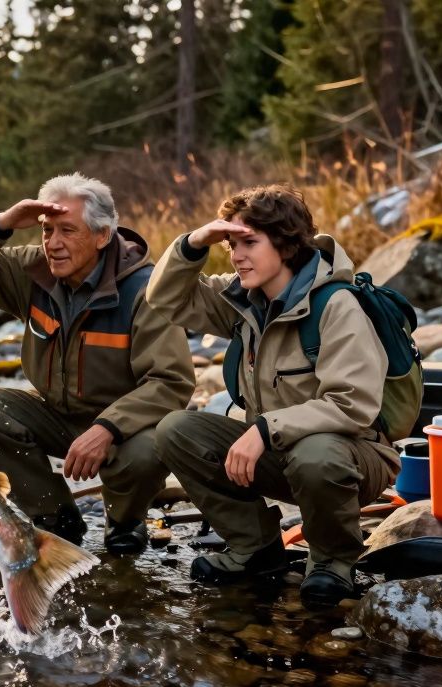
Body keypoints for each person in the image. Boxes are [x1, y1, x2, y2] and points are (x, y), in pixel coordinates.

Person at [148, 184, 399, 607]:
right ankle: (256, 549)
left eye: (249, 242)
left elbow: (351, 403)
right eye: (230, 244)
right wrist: (193, 243)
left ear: (284, 245)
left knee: (316, 454)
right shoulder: (243, 300)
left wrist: (265, 428)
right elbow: (165, 298)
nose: (236, 255)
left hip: (352, 460)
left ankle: (334, 562)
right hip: (280, 454)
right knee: (177, 429)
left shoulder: (336, 304)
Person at [0, 173, 195, 553]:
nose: (53, 244)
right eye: (46, 230)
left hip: (126, 428)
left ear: (102, 236)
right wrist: (2, 223)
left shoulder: (145, 290)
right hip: (57, 415)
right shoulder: (33, 271)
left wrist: (108, 427)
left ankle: (125, 520)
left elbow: (171, 382)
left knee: (150, 447)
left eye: (67, 231)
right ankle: (55, 517)